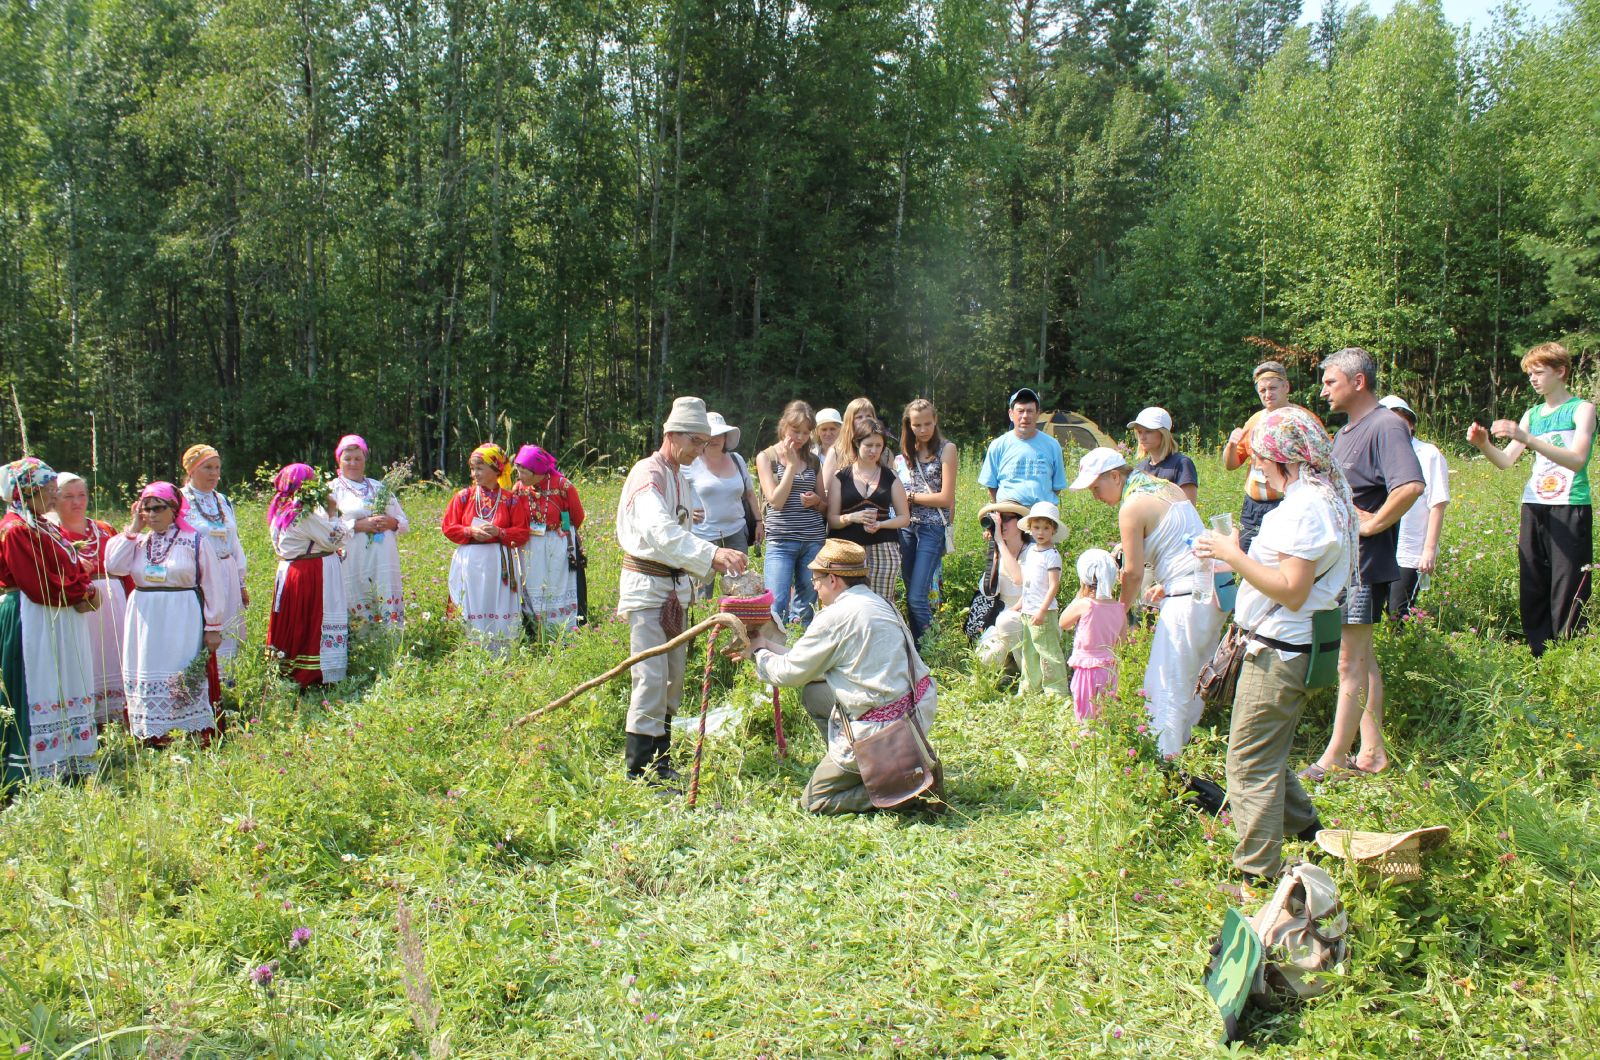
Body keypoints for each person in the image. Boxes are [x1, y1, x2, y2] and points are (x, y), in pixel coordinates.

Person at [1194, 406, 1352, 884]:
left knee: (1248, 762)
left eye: (1261, 459)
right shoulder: (1327, 497)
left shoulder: (1305, 508)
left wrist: (1232, 554)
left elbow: (1291, 589)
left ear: (1289, 459)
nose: (1256, 468)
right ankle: (1309, 834)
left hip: (1278, 651)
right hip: (1298, 645)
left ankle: (1256, 874)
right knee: (1268, 751)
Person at [740, 539, 937, 815]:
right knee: (814, 693)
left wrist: (758, 654)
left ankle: (903, 788)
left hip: (883, 733)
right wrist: (762, 645)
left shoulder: (835, 617)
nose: (815, 587)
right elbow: (808, 661)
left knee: (815, 801)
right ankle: (881, 770)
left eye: (816, 579)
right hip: (916, 712)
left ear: (833, 579)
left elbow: (788, 673)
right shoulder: (878, 601)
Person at [1302, 347, 1423, 781]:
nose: (1323, 391)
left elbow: (1409, 486)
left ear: (1358, 382)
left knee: (1347, 663)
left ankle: (1334, 757)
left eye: (1330, 382)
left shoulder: (1385, 425)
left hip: (1362, 566)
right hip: (1343, 563)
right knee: (1363, 660)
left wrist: (1372, 527)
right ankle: (1372, 753)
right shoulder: (1348, 430)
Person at [616, 397, 748, 784]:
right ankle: (639, 770)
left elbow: (680, 527)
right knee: (651, 676)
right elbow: (659, 531)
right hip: (648, 588)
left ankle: (661, 761)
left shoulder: (679, 476)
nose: (700, 450)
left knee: (673, 676)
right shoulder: (648, 473)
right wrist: (711, 554)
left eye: (706, 443)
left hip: (676, 588)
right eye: (695, 441)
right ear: (671, 434)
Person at [1071, 447, 1224, 758]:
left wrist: (1118, 614)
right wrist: (1166, 586)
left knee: (1163, 682)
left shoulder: (1132, 506)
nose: (1095, 497)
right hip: (1210, 590)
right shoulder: (1166, 487)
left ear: (1115, 476)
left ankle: (1164, 759)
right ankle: (1186, 744)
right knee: (1193, 676)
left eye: (1096, 488)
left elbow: (1132, 573)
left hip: (1186, 598)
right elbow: (1180, 541)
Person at [1468, 341, 1596, 657]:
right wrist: (1484, 445)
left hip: (1570, 505)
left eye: (1539, 372)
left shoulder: (1582, 409)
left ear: (1560, 371)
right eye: (1529, 374)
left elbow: (1578, 460)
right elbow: (1505, 461)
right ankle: (1539, 653)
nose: (1533, 380)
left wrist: (1527, 438)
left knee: (1568, 584)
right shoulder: (1532, 413)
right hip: (1534, 504)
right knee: (1534, 581)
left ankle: (1568, 656)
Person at [0, 458, 98, 790]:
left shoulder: (42, 523)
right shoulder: (16, 529)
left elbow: (66, 567)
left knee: (63, 681)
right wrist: (81, 590)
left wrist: (80, 585)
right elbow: (38, 581)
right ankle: (30, 768)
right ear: (26, 492)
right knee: (36, 683)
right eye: (47, 491)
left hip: (56, 613)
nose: (55, 498)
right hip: (33, 616)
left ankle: (67, 758)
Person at [105, 482, 224, 744]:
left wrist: (213, 626)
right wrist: (134, 528)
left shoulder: (194, 540)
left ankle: (189, 730)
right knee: (148, 667)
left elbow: (213, 584)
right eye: (145, 509)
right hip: (146, 617)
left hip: (182, 615)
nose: (151, 514)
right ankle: (153, 732)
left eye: (158, 508)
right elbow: (114, 566)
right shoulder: (137, 541)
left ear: (173, 509)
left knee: (180, 667)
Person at [49, 472, 130, 726]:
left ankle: (120, 715)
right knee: (87, 655)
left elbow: (124, 569)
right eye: (69, 497)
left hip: (112, 600)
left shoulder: (104, 529)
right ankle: (88, 719)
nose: (77, 502)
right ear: (54, 500)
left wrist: (130, 600)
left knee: (115, 655)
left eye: (82, 495)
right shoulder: (52, 534)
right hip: (81, 604)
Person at [265, 464, 352, 685]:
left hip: (293, 571)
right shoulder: (302, 513)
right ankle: (310, 674)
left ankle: (289, 669)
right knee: (311, 620)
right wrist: (333, 511)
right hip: (310, 573)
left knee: (296, 620)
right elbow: (336, 538)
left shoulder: (282, 509)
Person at [441, 444, 532, 654]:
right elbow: (449, 527)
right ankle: (470, 651)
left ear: (496, 469)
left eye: (480, 468)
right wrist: (469, 532)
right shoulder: (463, 497)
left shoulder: (511, 500)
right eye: (472, 469)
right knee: (470, 603)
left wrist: (500, 533)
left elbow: (522, 533)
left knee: (496, 604)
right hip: (470, 561)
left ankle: (501, 654)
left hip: (499, 563)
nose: (475, 474)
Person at [1225, 361, 1320, 553]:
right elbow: (1231, 464)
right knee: (1248, 558)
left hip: (1287, 502)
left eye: (1273, 388)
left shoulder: (1302, 419)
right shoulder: (1254, 421)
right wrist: (1231, 445)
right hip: (1253, 507)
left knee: (1279, 558)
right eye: (1262, 390)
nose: (1268, 394)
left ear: (1286, 386)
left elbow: (1321, 462)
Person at [756, 401, 829, 626]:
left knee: (808, 601)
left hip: (812, 540)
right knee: (776, 602)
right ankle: (774, 653)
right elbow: (775, 501)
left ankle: (803, 652)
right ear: (783, 426)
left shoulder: (813, 460)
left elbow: (825, 505)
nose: (800, 437)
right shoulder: (766, 457)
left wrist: (817, 501)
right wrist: (789, 465)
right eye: (796, 431)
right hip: (781, 541)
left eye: (806, 432)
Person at [1378, 396, 1450, 619]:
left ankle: (1409, 652)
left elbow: (1437, 503)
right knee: (1374, 614)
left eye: (1401, 421)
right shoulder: (1376, 453)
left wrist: (1429, 550)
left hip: (1411, 549)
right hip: (1380, 548)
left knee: (1397, 614)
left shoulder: (1428, 454)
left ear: (1411, 424)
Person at [180, 444, 249, 670]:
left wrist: (241, 581)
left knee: (228, 627)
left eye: (217, 468)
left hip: (227, 570)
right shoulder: (180, 501)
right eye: (207, 467)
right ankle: (202, 680)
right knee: (203, 628)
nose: (214, 474)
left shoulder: (223, 500)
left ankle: (228, 679)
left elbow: (234, 542)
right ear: (191, 470)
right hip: (200, 575)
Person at [329, 435, 409, 628]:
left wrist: (391, 522)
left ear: (365, 460)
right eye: (347, 459)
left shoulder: (379, 487)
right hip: (353, 558)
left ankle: (389, 643)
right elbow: (326, 529)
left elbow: (404, 522)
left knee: (384, 594)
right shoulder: (332, 490)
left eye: (358, 458)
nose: (353, 463)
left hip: (383, 558)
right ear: (339, 461)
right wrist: (357, 525)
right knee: (358, 595)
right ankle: (359, 643)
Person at [896, 398, 958, 644]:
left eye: (927, 424)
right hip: (906, 527)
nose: (922, 430)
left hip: (932, 528)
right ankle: (917, 647)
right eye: (916, 425)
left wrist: (910, 497)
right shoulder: (904, 454)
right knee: (911, 589)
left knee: (917, 596)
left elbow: (945, 498)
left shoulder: (946, 449)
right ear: (908, 425)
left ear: (936, 421)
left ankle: (931, 650)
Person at [828, 418, 910, 603]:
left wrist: (881, 524)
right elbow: (832, 519)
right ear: (857, 443)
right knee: (847, 602)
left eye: (878, 445)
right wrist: (851, 517)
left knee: (881, 602)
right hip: (847, 548)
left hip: (884, 547)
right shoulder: (841, 477)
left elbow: (904, 517)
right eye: (868, 445)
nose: (874, 451)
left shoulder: (890, 476)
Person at [684, 412, 761, 601]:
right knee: (702, 593)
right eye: (709, 435)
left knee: (740, 588)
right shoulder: (690, 463)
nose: (714, 439)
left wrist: (759, 521)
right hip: (703, 535)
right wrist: (686, 511)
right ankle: (704, 627)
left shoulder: (737, 460)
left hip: (736, 531)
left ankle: (737, 626)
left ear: (726, 437)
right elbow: (675, 493)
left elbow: (750, 494)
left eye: (719, 435)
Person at [513, 444, 585, 633]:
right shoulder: (520, 488)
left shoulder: (563, 485)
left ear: (537, 471)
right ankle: (535, 630)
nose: (519, 476)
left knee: (557, 585)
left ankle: (562, 631)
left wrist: (560, 530)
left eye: (523, 472)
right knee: (532, 585)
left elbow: (577, 516)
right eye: (517, 471)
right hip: (530, 545)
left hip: (558, 543)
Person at [1009, 501, 1070, 696]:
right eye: (1036, 527)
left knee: (1048, 651)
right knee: (1030, 651)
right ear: (1030, 528)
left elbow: (1053, 585)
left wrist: (1042, 610)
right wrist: (1020, 604)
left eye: (1045, 528)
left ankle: (1056, 690)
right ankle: (1029, 687)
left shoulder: (1052, 555)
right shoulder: (1031, 552)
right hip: (1029, 609)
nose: (1040, 532)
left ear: (1053, 530)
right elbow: (1029, 583)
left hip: (1044, 610)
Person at [1061, 548, 1125, 722]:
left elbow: (1063, 623)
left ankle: (1087, 738)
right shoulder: (1120, 608)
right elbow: (1122, 640)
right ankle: (1105, 737)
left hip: (1087, 668)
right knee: (1105, 710)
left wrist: (1078, 596)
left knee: (1086, 711)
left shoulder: (1085, 604)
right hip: (1109, 667)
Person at [979, 387, 1067, 507]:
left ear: (1038, 414)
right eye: (1020, 411)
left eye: (1030, 411)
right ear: (1011, 414)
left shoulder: (1052, 445)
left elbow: (1057, 486)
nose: (1025, 416)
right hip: (1009, 514)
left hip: (1041, 518)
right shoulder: (998, 445)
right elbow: (991, 485)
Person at [974, 500, 1031, 670]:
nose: (1001, 524)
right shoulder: (999, 550)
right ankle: (1011, 664)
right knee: (985, 659)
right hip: (1001, 617)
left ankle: (1028, 675)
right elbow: (987, 591)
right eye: (998, 520)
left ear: (1020, 522)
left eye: (1006, 519)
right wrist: (994, 553)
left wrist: (999, 542)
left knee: (1008, 622)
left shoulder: (1033, 551)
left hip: (1025, 616)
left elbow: (1019, 579)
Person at [1129, 407, 1199, 504]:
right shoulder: (1139, 469)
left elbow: (1188, 509)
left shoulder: (1182, 464)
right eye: (1140, 432)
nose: (1142, 437)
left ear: (1163, 433)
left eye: (1148, 431)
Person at [820, 397, 881, 507]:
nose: (865, 420)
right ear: (850, 421)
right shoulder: (836, 452)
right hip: (843, 517)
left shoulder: (884, 452)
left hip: (878, 518)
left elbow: (891, 486)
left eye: (869, 416)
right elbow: (824, 493)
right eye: (859, 417)